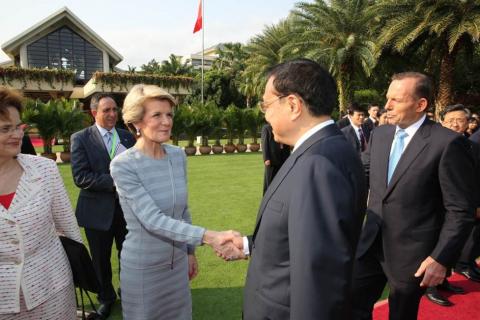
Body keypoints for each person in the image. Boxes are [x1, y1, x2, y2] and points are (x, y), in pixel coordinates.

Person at [225, 59, 367, 319]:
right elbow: (298, 237)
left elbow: (318, 275)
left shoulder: (318, 164)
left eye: (266, 105)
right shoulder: (319, 150)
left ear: (292, 105)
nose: (264, 114)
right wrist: (248, 245)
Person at [109, 84, 240, 320]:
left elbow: (182, 210)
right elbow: (152, 220)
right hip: (144, 271)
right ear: (137, 122)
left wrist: (189, 252)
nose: (166, 121)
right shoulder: (123, 165)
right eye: (156, 115)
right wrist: (210, 237)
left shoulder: (178, 156)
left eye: (169, 114)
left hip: (178, 267)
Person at [352, 72, 475, 320]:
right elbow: (357, 174)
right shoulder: (380, 135)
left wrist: (440, 258)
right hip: (370, 245)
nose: (387, 106)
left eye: (396, 100)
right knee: (349, 305)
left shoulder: (448, 143)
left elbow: (460, 210)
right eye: (388, 98)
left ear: (421, 105)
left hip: (413, 255)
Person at [0, 87, 82, 319]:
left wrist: (80, 271)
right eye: (6, 128)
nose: (17, 135)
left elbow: (68, 226)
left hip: (53, 288)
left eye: (18, 126)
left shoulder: (44, 169)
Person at [70, 93, 136, 318]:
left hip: (128, 210)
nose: (112, 114)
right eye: (106, 110)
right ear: (94, 112)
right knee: (100, 258)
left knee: (128, 255)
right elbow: (81, 177)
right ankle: (105, 297)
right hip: (97, 212)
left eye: (114, 110)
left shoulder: (127, 137)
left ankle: (127, 293)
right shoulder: (80, 138)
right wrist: (116, 182)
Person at [423, 104, 473, 306]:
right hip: (439, 207)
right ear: (442, 121)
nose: (455, 123)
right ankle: (430, 286)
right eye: (450, 120)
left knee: (454, 245)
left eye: (460, 120)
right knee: (436, 246)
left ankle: (444, 281)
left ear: (467, 123)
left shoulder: (471, 144)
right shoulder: (434, 144)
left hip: (461, 207)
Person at [261, 123, 290, 194]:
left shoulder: (284, 127)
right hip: (272, 159)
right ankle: (267, 200)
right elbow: (264, 143)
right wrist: (266, 158)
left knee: (282, 180)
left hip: (283, 157)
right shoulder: (267, 128)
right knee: (269, 182)